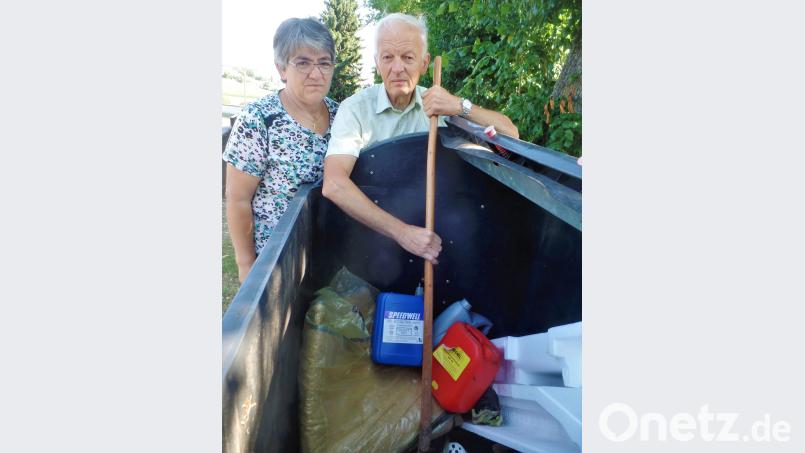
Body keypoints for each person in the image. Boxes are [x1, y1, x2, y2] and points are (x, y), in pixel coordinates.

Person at [322, 13, 518, 265]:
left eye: (408, 57)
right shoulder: (355, 109)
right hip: (372, 246)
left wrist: (460, 106)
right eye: (387, 57)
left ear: (424, 63)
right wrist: (402, 233)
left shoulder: (441, 106)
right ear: (376, 62)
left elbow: (511, 134)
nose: (397, 68)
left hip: (434, 239)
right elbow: (334, 184)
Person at [224, 18, 337, 283]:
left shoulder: (342, 116)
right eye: (303, 62)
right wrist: (246, 265)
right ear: (281, 68)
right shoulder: (258, 119)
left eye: (324, 62)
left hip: (329, 256)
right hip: (275, 264)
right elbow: (237, 199)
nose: (316, 73)